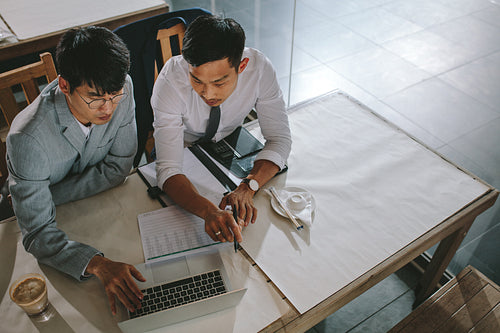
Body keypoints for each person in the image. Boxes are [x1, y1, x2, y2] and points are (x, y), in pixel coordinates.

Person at [6, 27, 144, 315]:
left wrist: (48, 196)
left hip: (92, 209)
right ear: (64, 85)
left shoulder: (124, 89)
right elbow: (37, 233)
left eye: (114, 96)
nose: (108, 108)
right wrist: (97, 263)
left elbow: (120, 167)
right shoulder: (26, 138)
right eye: (95, 97)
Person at [151, 15, 292, 244]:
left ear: (242, 66)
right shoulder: (170, 80)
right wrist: (209, 212)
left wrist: (249, 186)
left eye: (219, 83)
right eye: (197, 81)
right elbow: (168, 168)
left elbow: (279, 139)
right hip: (184, 150)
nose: (208, 94)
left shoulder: (260, 69)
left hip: (230, 145)